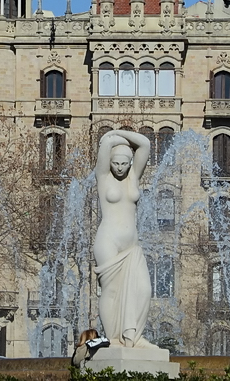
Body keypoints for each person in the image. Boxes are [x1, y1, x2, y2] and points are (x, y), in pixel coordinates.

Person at [93, 129, 158, 349]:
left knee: (144, 290)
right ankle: (113, 340)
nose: (119, 167)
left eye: (123, 163)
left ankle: (133, 337)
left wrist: (116, 132)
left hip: (132, 245)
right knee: (110, 291)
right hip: (108, 240)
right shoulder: (103, 177)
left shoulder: (133, 177)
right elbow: (105, 144)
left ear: (130, 163)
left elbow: (145, 144)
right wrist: (110, 139)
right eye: (115, 163)